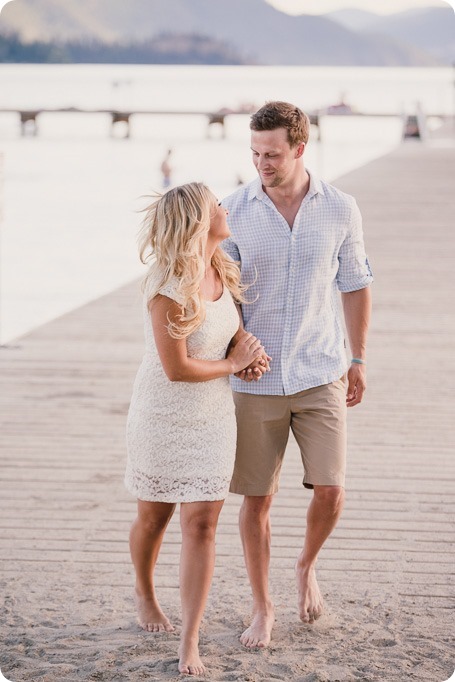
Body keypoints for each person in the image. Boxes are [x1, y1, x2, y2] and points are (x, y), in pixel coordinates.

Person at [221, 101, 373, 648]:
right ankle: (263, 607)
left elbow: (355, 283)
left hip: (321, 369)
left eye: (273, 153)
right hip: (254, 378)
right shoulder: (231, 209)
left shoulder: (340, 208)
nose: (262, 162)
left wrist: (357, 358)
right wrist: (240, 342)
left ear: (300, 148)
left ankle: (306, 565)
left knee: (331, 490)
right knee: (256, 500)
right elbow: (223, 294)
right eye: (256, 153)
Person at [125, 182, 263, 676]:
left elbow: (230, 337)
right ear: (198, 221)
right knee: (154, 519)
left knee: (202, 524)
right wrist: (232, 365)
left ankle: (190, 640)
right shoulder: (168, 287)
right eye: (217, 204)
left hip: (212, 420)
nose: (227, 208)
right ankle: (144, 591)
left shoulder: (223, 268)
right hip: (163, 416)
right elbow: (178, 369)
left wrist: (249, 356)